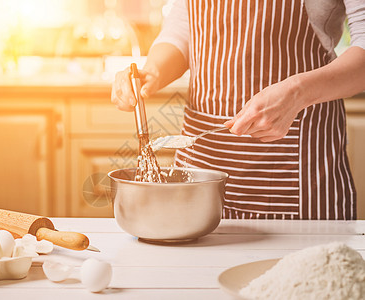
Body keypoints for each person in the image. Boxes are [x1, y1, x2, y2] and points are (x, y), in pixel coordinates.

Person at [111, 0, 365, 220]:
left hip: (296, 178)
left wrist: (297, 92)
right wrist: (152, 72)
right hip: (199, 175)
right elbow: (183, 26)